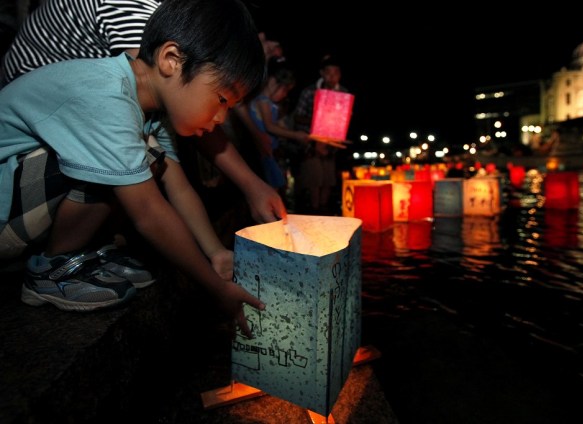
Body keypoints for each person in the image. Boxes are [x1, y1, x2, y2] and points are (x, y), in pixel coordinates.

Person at [0, 0, 265, 338]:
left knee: (145, 157)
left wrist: (215, 252)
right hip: (5, 207)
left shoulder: (146, 105)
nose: (220, 119)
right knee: (126, 158)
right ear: (171, 60)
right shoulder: (106, 97)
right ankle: (53, 270)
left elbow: (178, 187)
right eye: (223, 99)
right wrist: (216, 288)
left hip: (23, 203)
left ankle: (85, 252)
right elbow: (149, 213)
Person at [292, 54, 349, 215]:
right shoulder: (310, 91)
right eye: (329, 73)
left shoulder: (343, 93)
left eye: (336, 73)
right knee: (314, 180)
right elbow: (298, 116)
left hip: (331, 146)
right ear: (322, 73)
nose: (332, 77)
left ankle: (324, 211)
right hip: (310, 144)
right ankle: (313, 211)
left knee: (328, 181)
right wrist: (320, 119)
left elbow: (344, 119)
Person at [247, 57, 309, 198]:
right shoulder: (263, 101)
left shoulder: (270, 103)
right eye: (285, 90)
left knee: (275, 186)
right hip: (262, 152)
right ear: (273, 82)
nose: (285, 94)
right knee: (270, 188)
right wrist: (295, 135)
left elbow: (278, 125)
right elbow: (270, 126)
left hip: (269, 152)